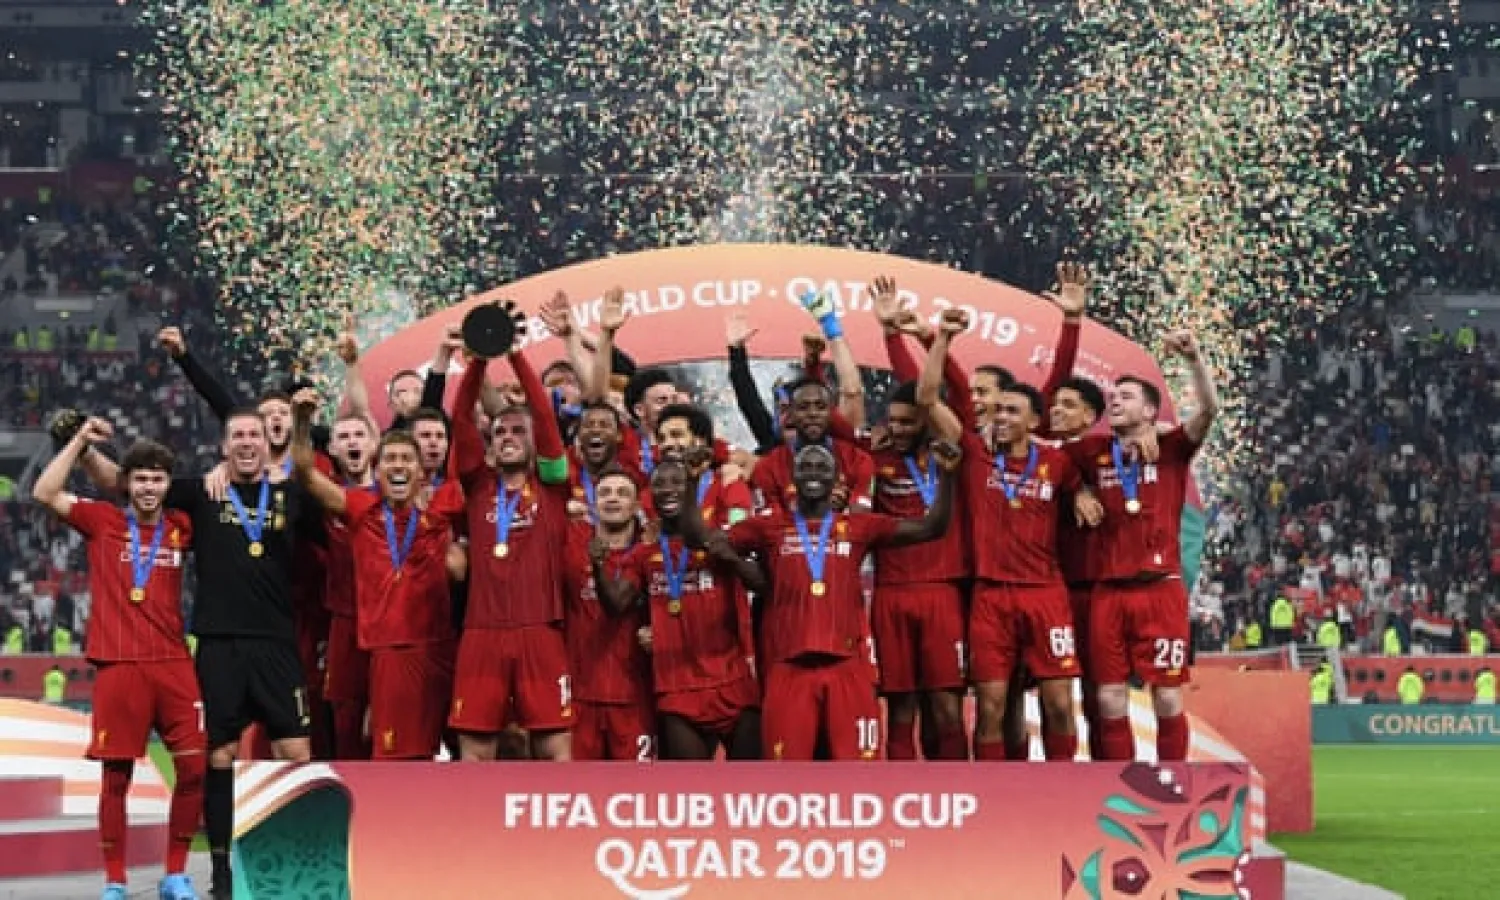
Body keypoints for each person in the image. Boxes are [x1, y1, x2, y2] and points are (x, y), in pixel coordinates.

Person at [32, 418, 205, 900]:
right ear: (126, 483)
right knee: (116, 777)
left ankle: (175, 874)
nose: (149, 487)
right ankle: (114, 880)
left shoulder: (181, 527)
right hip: (119, 664)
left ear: (169, 485)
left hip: (172, 663)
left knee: (192, 769)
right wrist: (79, 443)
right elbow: (46, 492)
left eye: (158, 479)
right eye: (141, 478)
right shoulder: (103, 520)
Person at [920, 312, 1096, 761]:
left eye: (1011, 411)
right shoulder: (976, 454)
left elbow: (1089, 472)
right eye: (997, 410)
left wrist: (1081, 494)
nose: (999, 417)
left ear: (1034, 420)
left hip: (1045, 595)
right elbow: (926, 398)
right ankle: (993, 800)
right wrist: (940, 340)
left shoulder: (1057, 464)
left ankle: (1061, 796)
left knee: (1059, 704)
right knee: (992, 708)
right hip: (991, 598)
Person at [718, 442, 958, 761]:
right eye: (805, 467)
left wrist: (948, 477)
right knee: (786, 778)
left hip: (848, 667)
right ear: (792, 477)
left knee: (857, 772)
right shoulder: (768, 527)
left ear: (837, 480)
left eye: (822, 468)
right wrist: (752, 575)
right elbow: (717, 544)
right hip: (789, 667)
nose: (813, 474)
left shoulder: (860, 526)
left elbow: (932, 527)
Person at [1066, 329, 1219, 762]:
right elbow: (1043, 456)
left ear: (1151, 411)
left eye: (1127, 397)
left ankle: (1172, 784)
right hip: (1109, 593)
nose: (1115, 401)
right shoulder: (1091, 453)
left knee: (1167, 698)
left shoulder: (1171, 449)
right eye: (1114, 396)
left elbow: (1209, 411)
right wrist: (1078, 488)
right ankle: (1121, 786)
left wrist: (1194, 360)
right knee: (1109, 698)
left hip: (1160, 589)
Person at [293, 399, 462, 759]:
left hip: (437, 645)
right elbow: (306, 474)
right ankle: (387, 813)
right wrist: (302, 421)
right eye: (390, 460)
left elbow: (487, 478)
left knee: (441, 744)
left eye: (406, 460)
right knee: (391, 750)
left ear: (421, 471)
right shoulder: (360, 508)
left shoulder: (442, 505)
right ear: (378, 468)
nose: (398, 466)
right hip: (388, 647)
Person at [448, 316, 575, 762]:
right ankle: (473, 831)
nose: (508, 437)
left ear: (535, 441)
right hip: (481, 632)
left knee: (555, 746)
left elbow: (542, 413)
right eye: (500, 431)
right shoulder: (478, 485)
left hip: (541, 628)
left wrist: (516, 354)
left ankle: (556, 833)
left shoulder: (554, 486)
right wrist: (480, 357)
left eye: (518, 431)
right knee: (475, 748)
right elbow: (461, 416)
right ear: (489, 445)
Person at [601, 460, 763, 759]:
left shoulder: (718, 540)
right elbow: (616, 604)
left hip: (732, 680)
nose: (668, 490)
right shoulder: (644, 554)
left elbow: (761, 584)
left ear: (691, 490)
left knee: (749, 790)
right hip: (677, 688)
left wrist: (732, 560)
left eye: (677, 482)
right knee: (690, 791)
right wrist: (598, 566)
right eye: (660, 484)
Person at [561, 468, 655, 760]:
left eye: (622, 493)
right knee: (579, 795)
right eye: (604, 493)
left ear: (637, 506)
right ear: (592, 501)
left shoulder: (650, 553)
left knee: (637, 796)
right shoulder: (572, 544)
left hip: (633, 697)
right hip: (580, 695)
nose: (612, 499)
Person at [320, 412, 379, 760]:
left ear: (374, 445)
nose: (353, 441)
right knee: (346, 727)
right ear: (331, 449)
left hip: (393, 625)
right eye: (343, 436)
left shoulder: (398, 493)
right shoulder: (325, 499)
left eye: (360, 434)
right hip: (344, 623)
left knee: (393, 725)